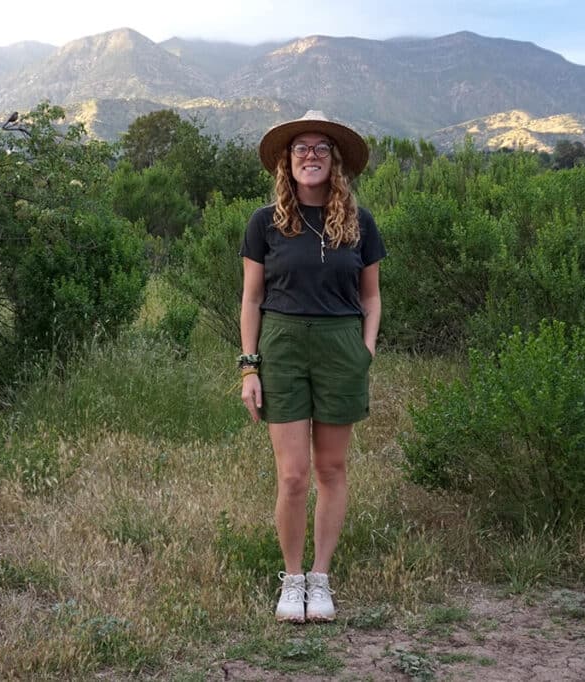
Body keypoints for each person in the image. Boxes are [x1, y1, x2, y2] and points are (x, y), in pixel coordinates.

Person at [239, 111, 386, 623]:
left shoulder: (360, 223)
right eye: (301, 147)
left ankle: (321, 580)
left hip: (340, 345)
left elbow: (371, 296)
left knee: (331, 468)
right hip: (280, 346)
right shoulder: (265, 222)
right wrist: (249, 367)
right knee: (293, 474)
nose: (310, 156)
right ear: (287, 160)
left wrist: (365, 348)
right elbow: (251, 299)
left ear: (335, 160)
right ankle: (293, 578)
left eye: (321, 148)